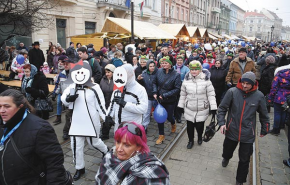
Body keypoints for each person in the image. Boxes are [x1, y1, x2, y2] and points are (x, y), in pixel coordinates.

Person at [0, 89, 72, 184]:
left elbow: (54, 163)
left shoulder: (40, 128)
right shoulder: (3, 124)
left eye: (7, 106)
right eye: (0, 106)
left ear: (20, 107)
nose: (2, 111)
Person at [217, 72, 270, 185]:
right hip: (232, 129)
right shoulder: (232, 92)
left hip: (248, 133)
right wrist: (222, 123)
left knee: (245, 159)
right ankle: (226, 157)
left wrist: (265, 128)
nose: (245, 86)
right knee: (227, 150)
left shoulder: (259, 96)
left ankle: (240, 180)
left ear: (253, 84)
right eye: (243, 83)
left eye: (248, 84)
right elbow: (222, 108)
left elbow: (264, 115)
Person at [61, 60, 109, 181]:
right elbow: (64, 99)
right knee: (76, 145)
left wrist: (106, 118)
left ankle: (106, 151)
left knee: (94, 143)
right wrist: (68, 98)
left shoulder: (95, 87)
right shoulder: (72, 86)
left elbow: (101, 104)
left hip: (91, 121)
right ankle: (79, 167)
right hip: (77, 122)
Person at [95, 122, 170, 184]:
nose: (119, 149)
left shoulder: (154, 173)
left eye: (126, 145)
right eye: (118, 142)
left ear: (139, 147)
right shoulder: (110, 157)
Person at [102, 64, 148, 140]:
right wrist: (109, 116)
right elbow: (112, 103)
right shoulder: (118, 88)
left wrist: (125, 104)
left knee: (131, 148)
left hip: (132, 127)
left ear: (130, 74)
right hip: (118, 127)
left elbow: (143, 108)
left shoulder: (140, 89)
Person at [178, 61, 217, 149]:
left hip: (202, 108)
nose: (194, 71)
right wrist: (180, 106)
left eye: (196, 69)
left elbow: (211, 94)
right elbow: (183, 94)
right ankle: (190, 140)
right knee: (190, 127)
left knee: (200, 126)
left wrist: (213, 107)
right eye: (192, 69)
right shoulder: (186, 80)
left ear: (200, 70)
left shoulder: (206, 80)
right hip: (189, 108)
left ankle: (199, 136)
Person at [153, 56, 181, 144]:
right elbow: (154, 82)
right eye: (162, 63)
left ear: (170, 64)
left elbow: (177, 89)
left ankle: (173, 123)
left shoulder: (176, 75)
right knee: (159, 117)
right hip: (159, 100)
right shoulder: (158, 71)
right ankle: (161, 135)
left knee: (169, 116)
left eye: (166, 63)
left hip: (170, 100)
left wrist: (165, 95)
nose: (164, 65)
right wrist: (154, 92)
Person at [137, 59, 158, 132]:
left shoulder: (158, 72)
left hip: (156, 96)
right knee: (146, 113)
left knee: (158, 112)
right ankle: (144, 127)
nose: (152, 67)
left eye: (153, 66)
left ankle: (160, 126)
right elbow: (141, 85)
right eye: (150, 66)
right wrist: (139, 80)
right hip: (148, 96)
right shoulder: (144, 73)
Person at [268, 68, 290, 135]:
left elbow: (274, 87)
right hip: (288, 97)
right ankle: (281, 126)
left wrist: (270, 97)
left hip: (279, 96)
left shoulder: (279, 75)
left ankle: (276, 130)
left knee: (277, 113)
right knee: (284, 113)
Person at [173, 55, 190, 123]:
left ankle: (178, 116)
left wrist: (180, 82)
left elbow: (188, 78)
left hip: (182, 88)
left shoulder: (186, 69)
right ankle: (173, 115)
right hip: (173, 88)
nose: (179, 61)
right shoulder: (173, 68)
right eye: (178, 60)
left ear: (183, 61)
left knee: (180, 103)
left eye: (181, 60)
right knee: (174, 102)